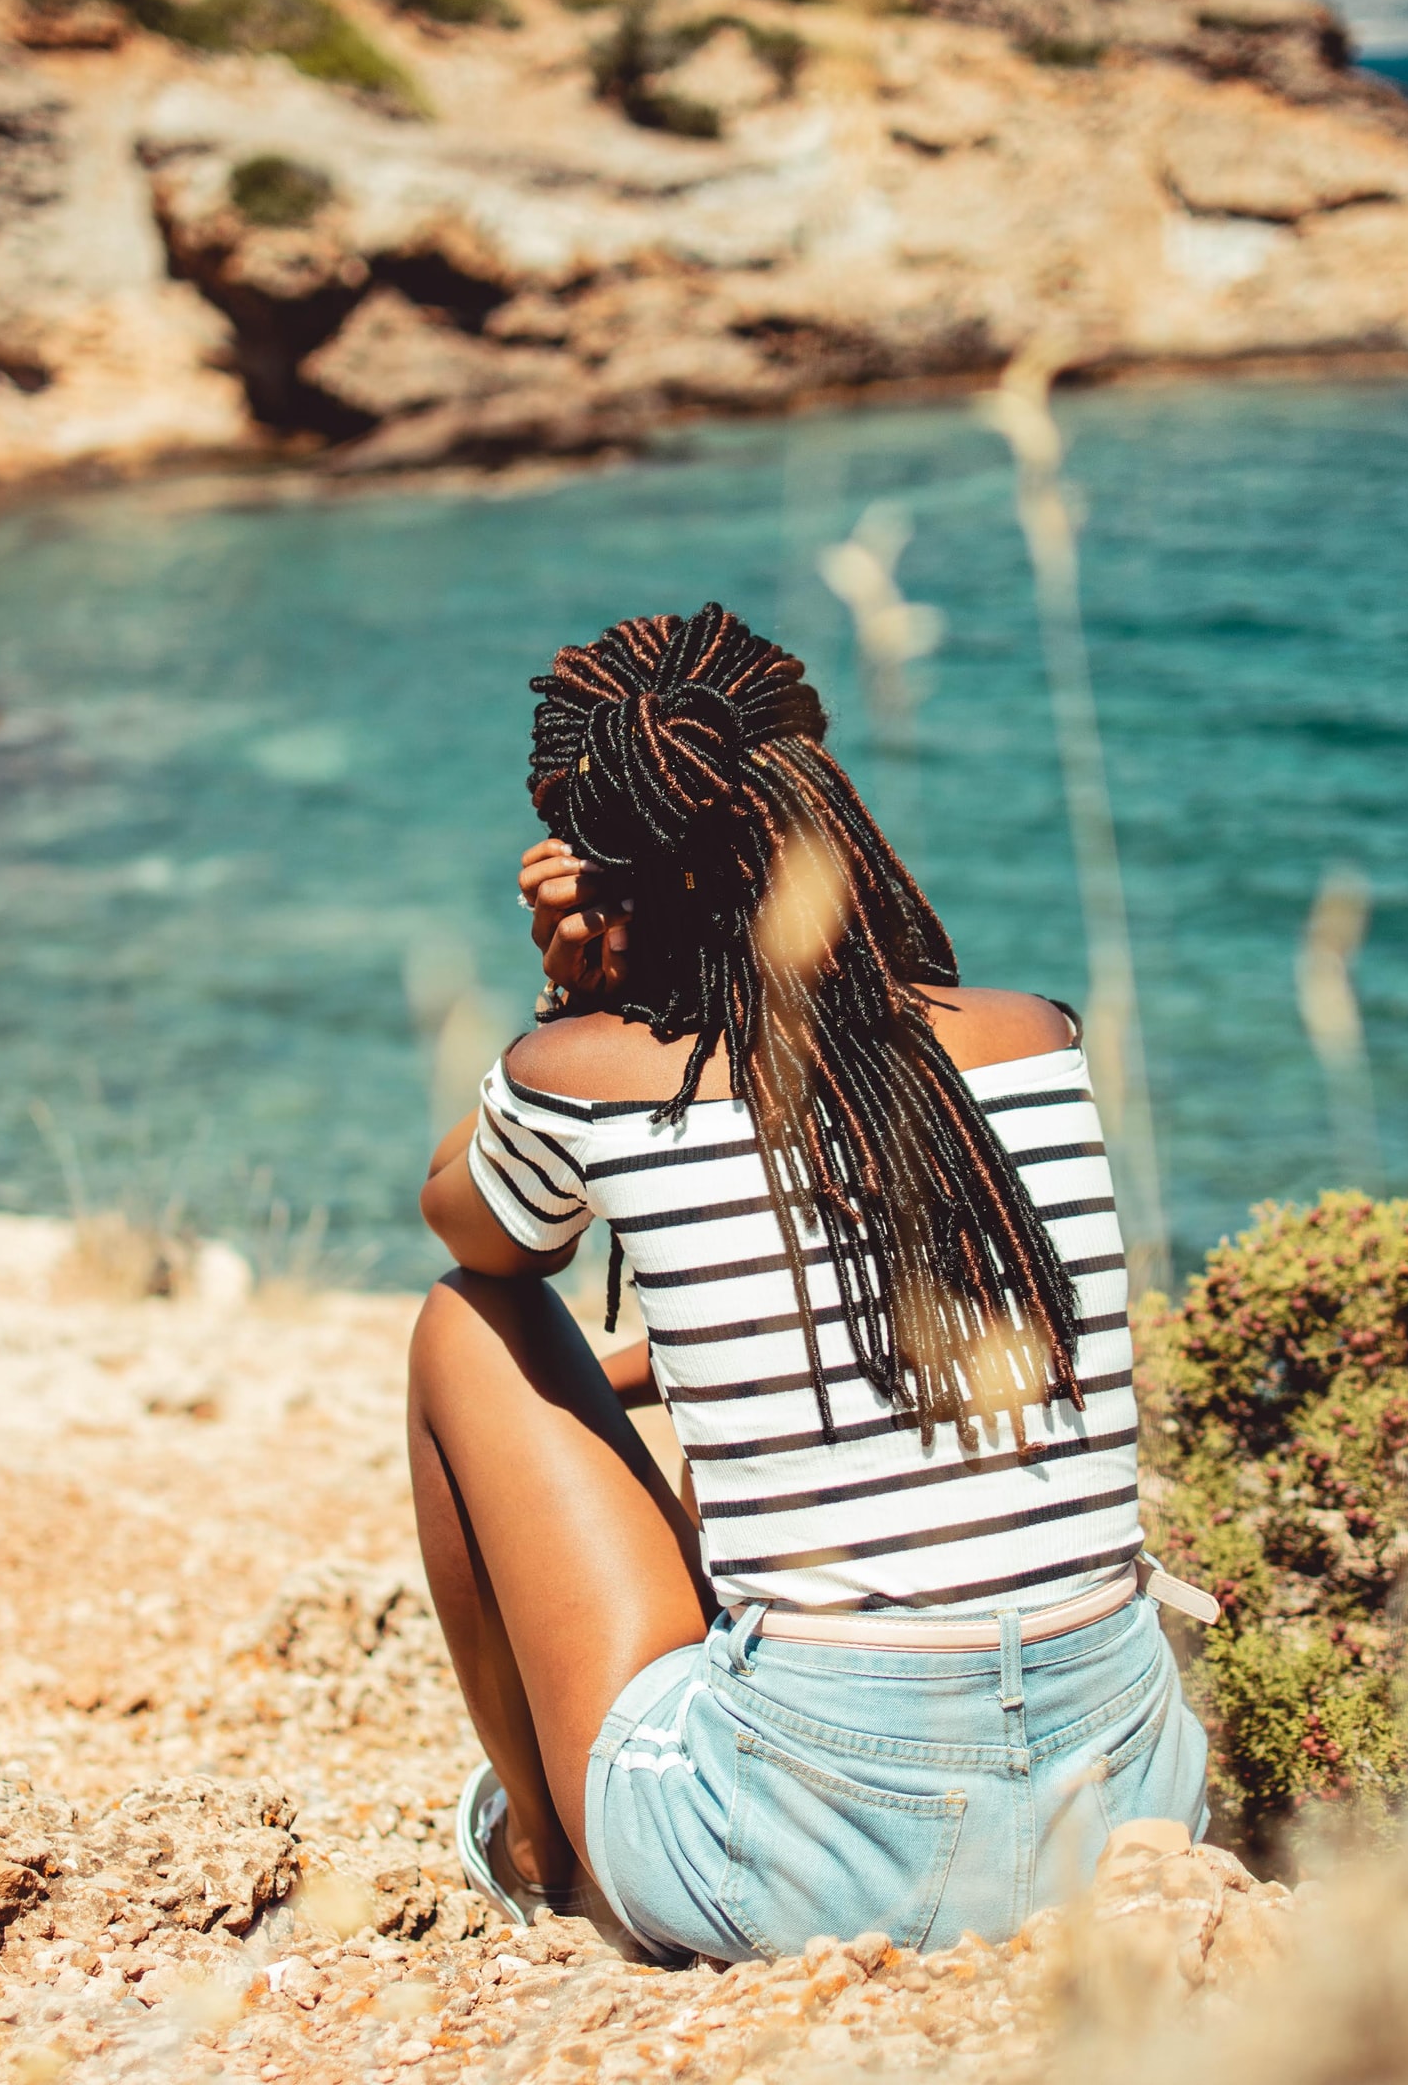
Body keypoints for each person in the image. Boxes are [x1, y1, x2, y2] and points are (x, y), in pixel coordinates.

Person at [413, 603, 1209, 1966]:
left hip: (794, 1858)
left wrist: (572, 1005)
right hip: (1126, 1814)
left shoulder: (587, 1074)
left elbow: (488, 1241)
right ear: (819, 794)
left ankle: (548, 1851)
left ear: (587, 861)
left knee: (463, 1327)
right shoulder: (1033, 1038)